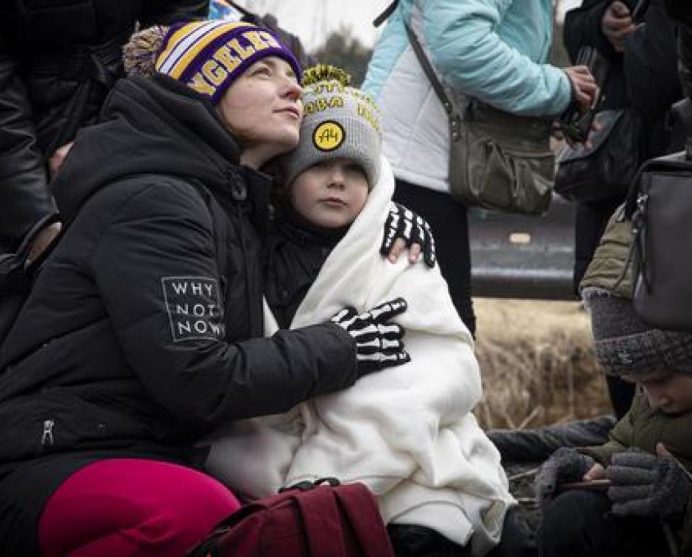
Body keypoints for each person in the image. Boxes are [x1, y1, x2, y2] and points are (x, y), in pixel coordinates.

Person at [0, 21, 414, 556]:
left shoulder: (230, 201)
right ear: (200, 90)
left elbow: (309, 234)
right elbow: (198, 378)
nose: (292, 87)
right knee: (195, 511)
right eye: (262, 73)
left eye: (292, 74)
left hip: (143, 449)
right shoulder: (157, 200)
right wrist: (342, 345)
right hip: (54, 456)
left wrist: (387, 220)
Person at [203, 66, 529, 557]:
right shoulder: (253, 247)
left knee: (432, 511)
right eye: (319, 165)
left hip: (387, 423)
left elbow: (438, 360)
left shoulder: (396, 251)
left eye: (355, 170)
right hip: (279, 425)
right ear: (286, 176)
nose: (337, 180)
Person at [362, 0, 598, 335]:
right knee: (441, 343)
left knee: (433, 339)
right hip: (412, 169)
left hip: (416, 163)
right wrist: (557, 88)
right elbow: (462, 48)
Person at [0, 0, 209, 264]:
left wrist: (109, 132)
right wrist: (34, 217)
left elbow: (176, 35)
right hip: (24, 139)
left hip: (127, 113)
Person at [534, 233, 692, 556]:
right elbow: (627, 442)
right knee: (572, 518)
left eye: (661, 379)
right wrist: (590, 464)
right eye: (639, 385)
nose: (653, 399)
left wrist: (685, 501)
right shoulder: (659, 402)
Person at [564, 0, 683, 419]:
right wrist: (599, 25)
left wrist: (635, 41)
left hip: (672, 181)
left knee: (668, 337)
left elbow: (660, 75)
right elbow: (574, 30)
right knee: (616, 336)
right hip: (610, 179)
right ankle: (627, 444)